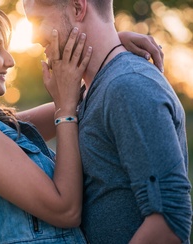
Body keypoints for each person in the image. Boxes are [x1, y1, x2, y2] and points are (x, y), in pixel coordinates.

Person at [0, 1, 170, 243]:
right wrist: (65, 111)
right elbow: (66, 210)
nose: (9, 60)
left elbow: (82, 101)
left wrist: (109, 45)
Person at [22, 0, 192, 243]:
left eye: (38, 21)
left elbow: (170, 221)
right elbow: (5, 129)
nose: (32, 38)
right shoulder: (94, 90)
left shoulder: (128, 86)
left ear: (78, 8)